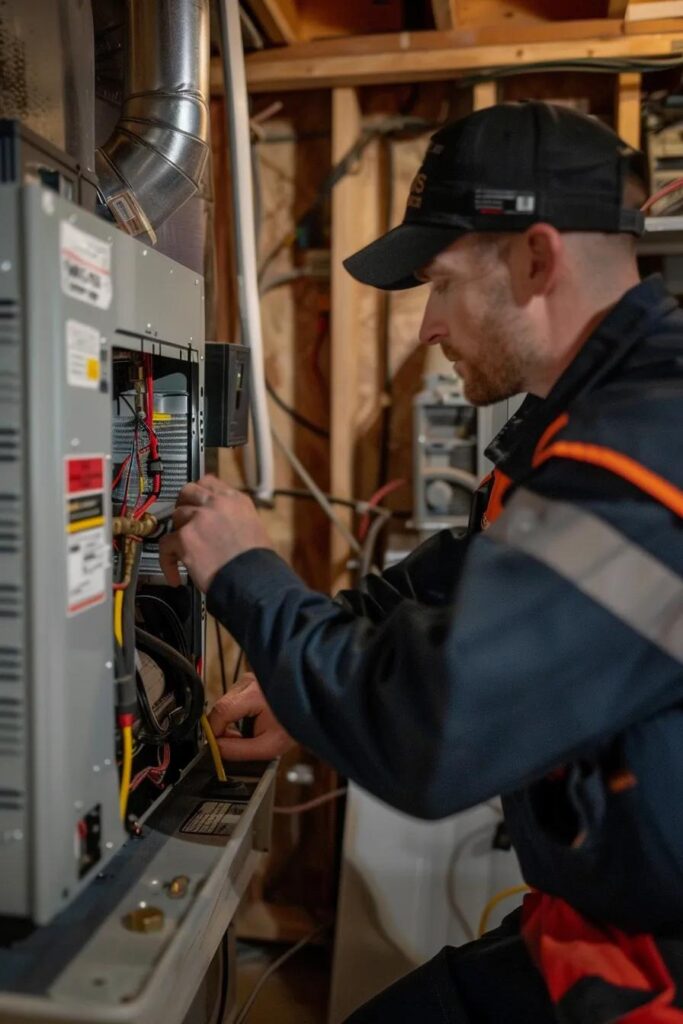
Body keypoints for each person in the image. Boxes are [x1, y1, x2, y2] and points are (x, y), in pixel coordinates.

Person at [159, 102, 683, 1022]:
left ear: (536, 256)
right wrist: (305, 683)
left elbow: (435, 733)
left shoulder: (647, 451)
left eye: (440, 284)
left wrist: (250, 577)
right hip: (599, 922)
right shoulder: (600, 410)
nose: (425, 328)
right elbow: (475, 569)